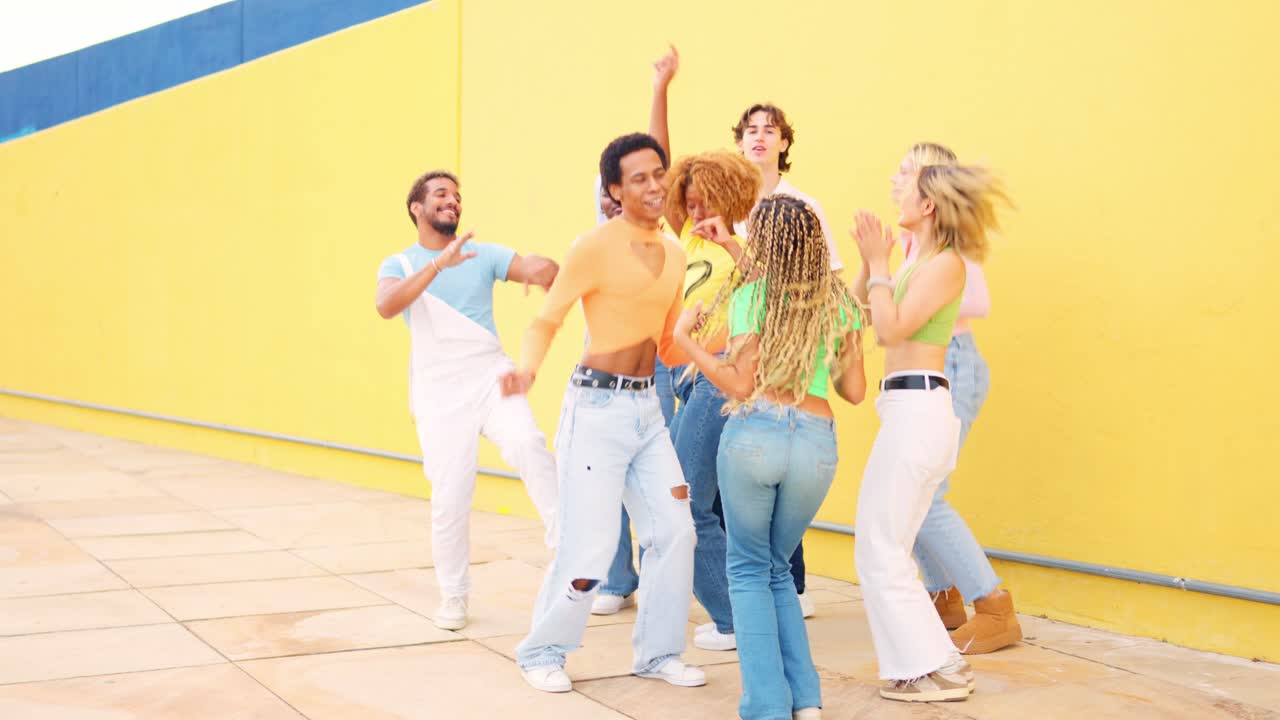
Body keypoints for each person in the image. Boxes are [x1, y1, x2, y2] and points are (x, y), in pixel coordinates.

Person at [503, 133, 705, 693]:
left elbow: (666, 341)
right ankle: (542, 650)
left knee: (675, 531)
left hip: (647, 411)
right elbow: (548, 319)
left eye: (658, 173)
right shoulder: (593, 246)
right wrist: (527, 371)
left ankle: (659, 654)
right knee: (588, 546)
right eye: (638, 177)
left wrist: (710, 355)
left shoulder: (677, 254)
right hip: (595, 409)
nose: (654, 185)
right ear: (615, 190)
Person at [673, 194, 866, 720]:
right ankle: (804, 700)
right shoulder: (842, 304)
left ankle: (765, 706)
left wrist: (685, 341)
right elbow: (854, 390)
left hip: (756, 435)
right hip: (816, 443)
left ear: (766, 245)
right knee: (776, 567)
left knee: (748, 569)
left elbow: (740, 381)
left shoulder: (751, 297)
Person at [850, 161, 1010, 702]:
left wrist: (878, 263)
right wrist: (875, 263)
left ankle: (929, 671)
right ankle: (934, 666)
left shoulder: (945, 265)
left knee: (880, 544)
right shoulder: (917, 264)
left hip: (920, 407)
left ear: (929, 207)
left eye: (910, 188)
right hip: (903, 407)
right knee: (885, 543)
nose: (897, 191)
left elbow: (889, 326)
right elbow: (861, 314)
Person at [374, 170, 561, 631]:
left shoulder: (482, 253)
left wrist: (544, 271)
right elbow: (386, 305)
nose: (452, 202)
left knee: (528, 442)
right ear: (417, 208)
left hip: (489, 375)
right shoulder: (399, 263)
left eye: (457, 197)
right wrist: (438, 266)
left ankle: (568, 547)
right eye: (441, 195)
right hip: (438, 391)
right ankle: (454, 596)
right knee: (450, 498)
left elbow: (540, 269)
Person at [893, 143, 1023, 655]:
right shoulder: (911, 242)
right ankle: (942, 595)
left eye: (907, 171)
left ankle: (993, 607)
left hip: (952, 366)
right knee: (917, 493)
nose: (896, 177)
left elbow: (978, 299)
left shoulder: (949, 244)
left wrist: (911, 297)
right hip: (920, 372)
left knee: (926, 495)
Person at [730, 101, 844, 617]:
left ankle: (789, 585)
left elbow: (825, 274)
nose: (758, 137)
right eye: (750, 130)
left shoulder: (803, 205)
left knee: (778, 472)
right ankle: (776, 585)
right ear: (738, 142)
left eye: (768, 130)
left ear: (784, 144)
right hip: (738, 342)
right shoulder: (727, 204)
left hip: (783, 361)